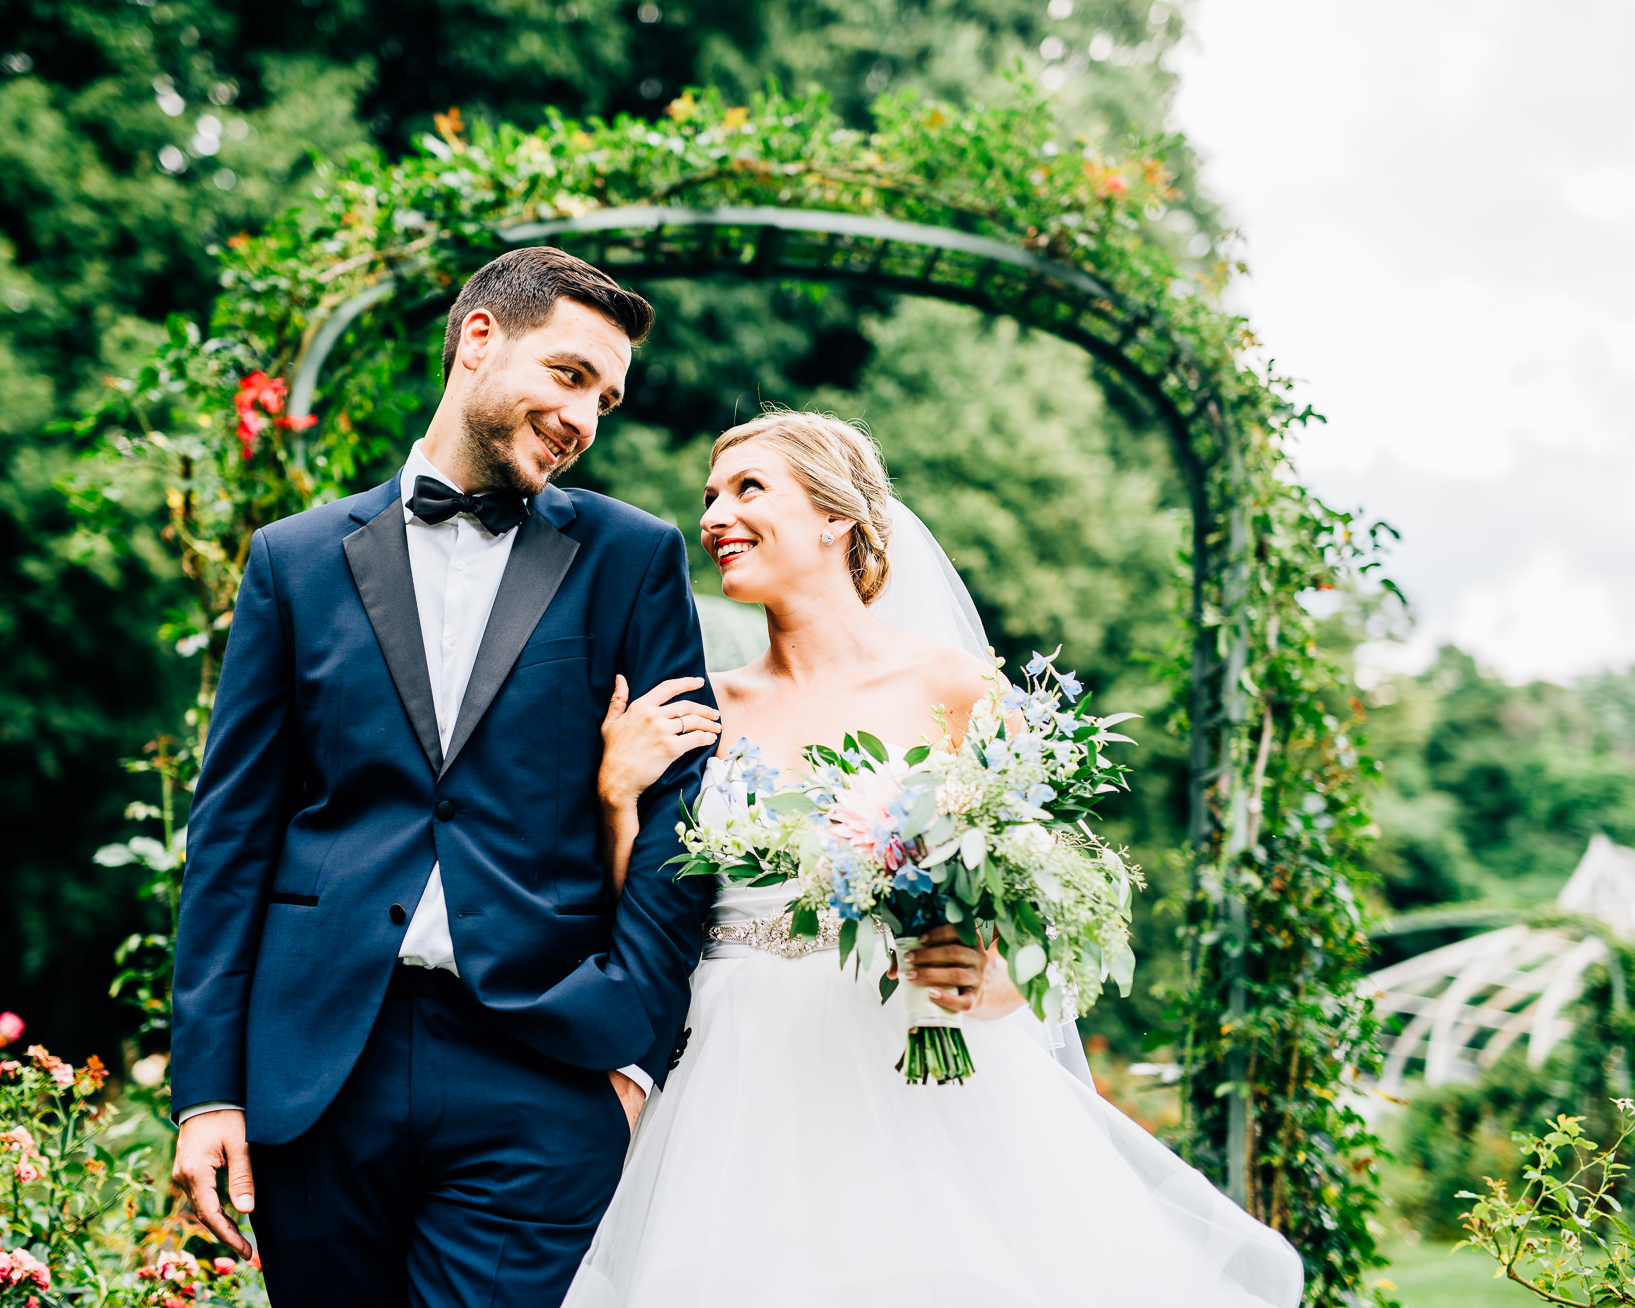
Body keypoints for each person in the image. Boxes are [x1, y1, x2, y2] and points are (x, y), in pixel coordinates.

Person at [564, 411, 1305, 1308]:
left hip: (912, 1068)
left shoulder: (956, 691)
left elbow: (1040, 932)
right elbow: (641, 921)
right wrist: (614, 794)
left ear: (837, 518)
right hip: (729, 1082)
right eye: (711, 496)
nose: (715, 513)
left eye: (749, 489)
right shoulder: (701, 707)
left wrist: (980, 977)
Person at [168, 246, 721, 1307]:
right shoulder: (294, 559)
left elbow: (680, 824)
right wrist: (207, 1093)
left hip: (543, 1072)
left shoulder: (632, 557)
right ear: (478, 339)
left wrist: (632, 1061)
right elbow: (233, 832)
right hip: (318, 1066)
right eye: (568, 376)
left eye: (604, 398)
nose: (584, 419)